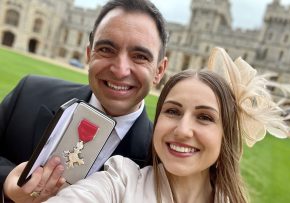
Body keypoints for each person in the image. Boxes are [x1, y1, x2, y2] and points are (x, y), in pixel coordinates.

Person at [42, 47, 288, 203]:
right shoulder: (119, 182)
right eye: (172, 111)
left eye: (205, 117)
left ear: (226, 134)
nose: (182, 130)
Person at [0, 0, 168, 202]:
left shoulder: (160, 159)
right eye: (107, 50)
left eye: (140, 56)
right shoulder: (29, 94)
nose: (120, 70)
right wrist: (6, 183)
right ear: (89, 53)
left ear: (159, 71)